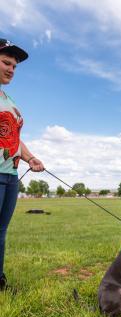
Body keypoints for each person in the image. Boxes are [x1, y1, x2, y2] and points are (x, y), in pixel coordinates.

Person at [0, 39, 44, 290]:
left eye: (15, 66)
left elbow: (14, 138)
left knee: (1, 232)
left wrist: (30, 157)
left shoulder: (9, 100)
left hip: (10, 174)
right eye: (6, 63)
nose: (11, 70)